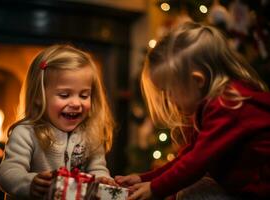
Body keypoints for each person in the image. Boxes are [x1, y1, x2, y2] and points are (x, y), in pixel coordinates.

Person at [115, 22, 270, 199]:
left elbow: (196, 162)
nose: (169, 100)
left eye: (170, 91)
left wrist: (155, 188)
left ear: (197, 81)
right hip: (243, 189)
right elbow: (189, 156)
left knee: (195, 193)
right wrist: (144, 178)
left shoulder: (228, 105)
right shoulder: (215, 104)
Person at [0, 44, 116, 199]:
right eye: (65, 95)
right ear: (39, 96)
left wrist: (102, 180)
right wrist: (30, 183)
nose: (76, 103)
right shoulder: (26, 133)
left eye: (84, 95)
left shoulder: (90, 133)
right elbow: (8, 172)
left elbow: (97, 168)